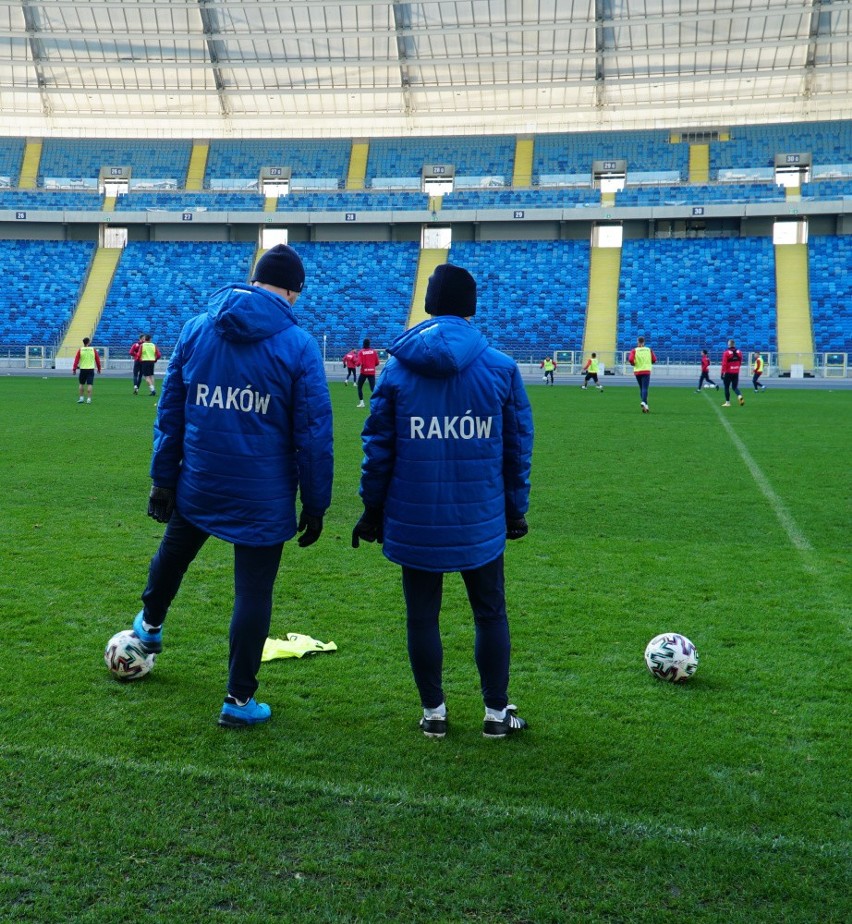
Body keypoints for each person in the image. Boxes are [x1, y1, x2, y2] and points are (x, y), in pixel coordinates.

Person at [121, 243, 334, 728]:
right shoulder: (298, 345)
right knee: (253, 594)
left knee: (173, 552)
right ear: (292, 290)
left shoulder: (197, 328)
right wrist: (316, 502)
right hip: (264, 493)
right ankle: (238, 702)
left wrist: (162, 479)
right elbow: (314, 435)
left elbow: (170, 410)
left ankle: (150, 627)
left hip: (200, 479)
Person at [352, 263, 534, 739]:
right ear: (471, 307)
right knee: (490, 611)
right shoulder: (501, 367)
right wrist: (515, 510)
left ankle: (434, 713)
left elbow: (378, 449)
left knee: (421, 614)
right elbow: (517, 448)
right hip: (481, 516)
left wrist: (372, 511)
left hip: (414, 517)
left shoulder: (395, 369)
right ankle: (496, 715)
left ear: (430, 304)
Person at [627, 335, 657, 413]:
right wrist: (650, 362)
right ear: (644, 342)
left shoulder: (634, 350)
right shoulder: (648, 350)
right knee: (645, 388)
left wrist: (633, 363)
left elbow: (630, 359)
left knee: (641, 388)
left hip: (638, 371)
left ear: (638, 342)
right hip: (646, 371)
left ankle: (646, 406)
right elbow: (654, 359)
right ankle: (644, 402)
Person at [72, 336, 101, 404]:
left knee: (81, 384)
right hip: (90, 369)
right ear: (88, 342)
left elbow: (76, 360)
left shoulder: (81, 350)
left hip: (83, 369)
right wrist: (99, 368)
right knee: (90, 384)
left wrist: (74, 369)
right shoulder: (93, 349)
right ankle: (88, 399)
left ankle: (81, 398)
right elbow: (97, 360)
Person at [355, 338, 380, 408]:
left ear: (363, 344)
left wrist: (356, 364)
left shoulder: (361, 352)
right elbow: (377, 363)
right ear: (369, 344)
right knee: (373, 389)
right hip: (371, 372)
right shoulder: (374, 351)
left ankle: (362, 403)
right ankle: (378, 402)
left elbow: (359, 363)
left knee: (359, 387)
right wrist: (371, 365)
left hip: (364, 372)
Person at [721, 339, 745, 407]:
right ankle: (739, 396)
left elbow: (724, 364)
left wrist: (722, 373)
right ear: (734, 344)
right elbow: (740, 361)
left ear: (728, 345)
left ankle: (727, 403)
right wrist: (737, 368)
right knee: (734, 387)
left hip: (728, 372)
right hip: (736, 372)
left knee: (726, 387)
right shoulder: (739, 352)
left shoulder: (726, 353)